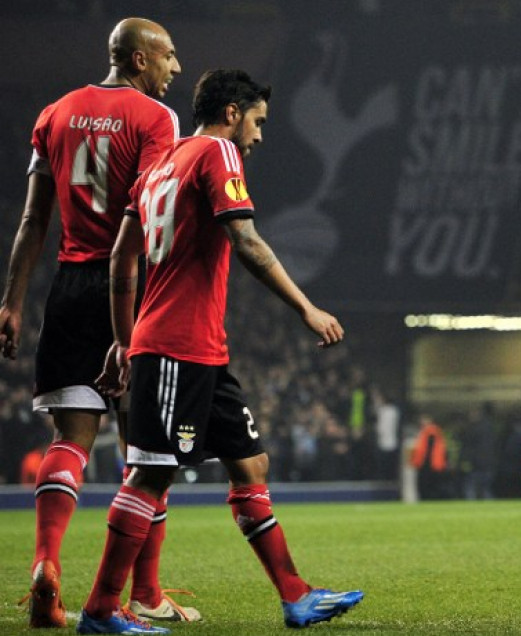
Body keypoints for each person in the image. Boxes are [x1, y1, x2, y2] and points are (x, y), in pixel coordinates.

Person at [78, 69, 362, 634]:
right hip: (175, 349)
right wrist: (306, 307)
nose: (258, 136)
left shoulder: (160, 162)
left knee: (250, 464)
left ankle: (296, 595)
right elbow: (246, 241)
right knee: (149, 477)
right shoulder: (217, 154)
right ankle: (101, 610)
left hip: (200, 351)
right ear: (232, 112)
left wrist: (121, 337)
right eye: (257, 121)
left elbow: (120, 259)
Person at [0, 18, 200, 628]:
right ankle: (145, 592)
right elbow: (151, 212)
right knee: (150, 452)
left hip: (66, 287)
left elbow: (34, 219)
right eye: (168, 57)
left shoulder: (53, 114)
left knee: (69, 443)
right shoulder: (156, 119)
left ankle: (46, 568)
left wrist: (10, 302)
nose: (177, 68)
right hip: (131, 288)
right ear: (139, 60)